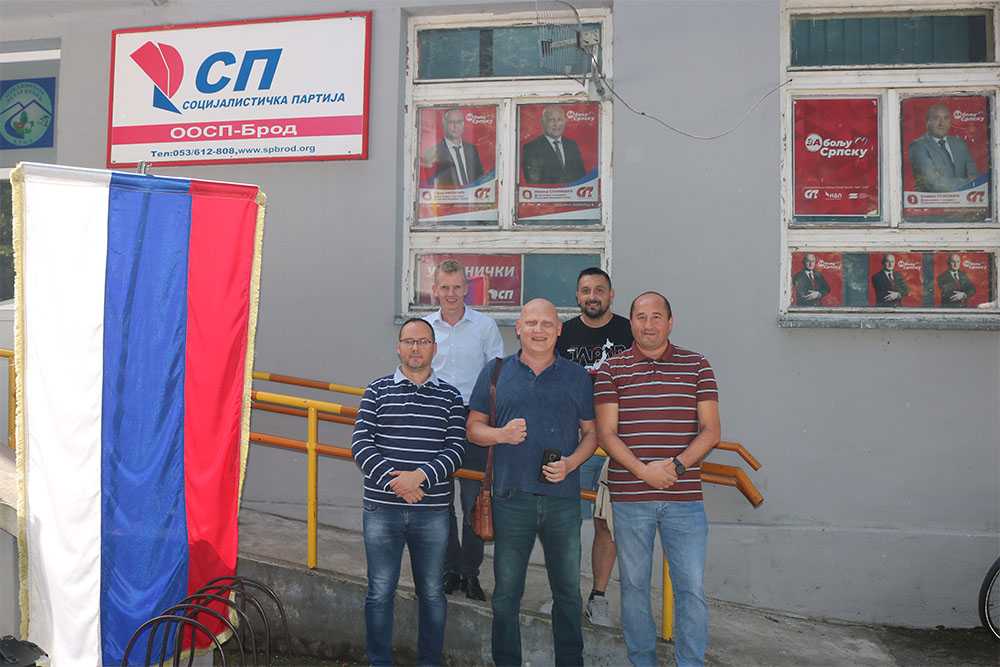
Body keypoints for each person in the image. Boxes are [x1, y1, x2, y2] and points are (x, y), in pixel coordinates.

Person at [467, 299, 597, 667]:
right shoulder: (495, 372)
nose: (539, 330)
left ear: (559, 330)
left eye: (547, 324)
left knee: (568, 593)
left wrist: (571, 463)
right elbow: (473, 428)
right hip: (511, 498)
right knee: (506, 594)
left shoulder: (577, 376)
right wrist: (501, 435)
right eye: (532, 323)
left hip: (563, 501)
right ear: (519, 328)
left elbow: (592, 434)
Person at [594, 292, 720, 667]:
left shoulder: (697, 365)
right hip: (631, 498)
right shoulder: (611, 370)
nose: (648, 325)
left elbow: (711, 431)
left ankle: (691, 662)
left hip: (685, 500)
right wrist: (643, 471)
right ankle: (641, 661)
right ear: (630, 322)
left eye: (656, 317)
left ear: (670, 321)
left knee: (691, 588)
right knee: (634, 587)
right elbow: (606, 434)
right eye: (641, 317)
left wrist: (676, 467)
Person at [351, 318, 467, 667]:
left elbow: (456, 449)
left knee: (432, 593)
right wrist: (396, 482)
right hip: (382, 510)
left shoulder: (451, 396)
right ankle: (379, 662)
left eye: (423, 342)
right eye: (409, 341)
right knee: (379, 591)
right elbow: (361, 444)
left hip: (432, 513)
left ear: (434, 348)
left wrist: (420, 477)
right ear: (398, 347)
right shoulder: (376, 390)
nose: (416, 348)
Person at [555, 266, 633, 627]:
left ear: (611, 295)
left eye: (599, 290)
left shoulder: (629, 332)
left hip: (618, 445)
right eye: (585, 290)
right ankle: (565, 597)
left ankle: (598, 597)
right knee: (564, 522)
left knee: (606, 523)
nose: (592, 296)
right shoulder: (564, 334)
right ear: (577, 295)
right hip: (573, 443)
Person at [424, 259, 504, 601]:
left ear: (466, 289)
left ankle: (470, 574)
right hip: (436, 422)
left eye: (457, 287)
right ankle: (449, 570)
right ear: (435, 290)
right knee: (439, 504)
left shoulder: (485, 326)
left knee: (473, 503)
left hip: (475, 422)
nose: (451, 294)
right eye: (445, 287)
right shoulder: (425, 328)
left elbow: (498, 377)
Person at [909, 103, 979, 193]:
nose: (941, 123)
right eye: (936, 118)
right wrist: (969, 183)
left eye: (946, 118)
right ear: (928, 122)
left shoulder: (959, 144)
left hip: (963, 199)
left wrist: (973, 182)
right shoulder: (918, 146)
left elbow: (974, 174)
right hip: (934, 200)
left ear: (950, 122)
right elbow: (933, 184)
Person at [521, 105, 586, 185]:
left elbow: (581, 176)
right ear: (543, 122)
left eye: (559, 120)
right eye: (551, 120)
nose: (556, 124)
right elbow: (533, 181)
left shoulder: (572, 145)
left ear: (565, 121)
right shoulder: (531, 148)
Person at [426, 108, 485, 187]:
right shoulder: (434, 152)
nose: (455, 126)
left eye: (459, 122)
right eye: (451, 122)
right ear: (444, 124)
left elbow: (480, 178)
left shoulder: (471, 149)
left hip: (472, 193)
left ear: (463, 124)